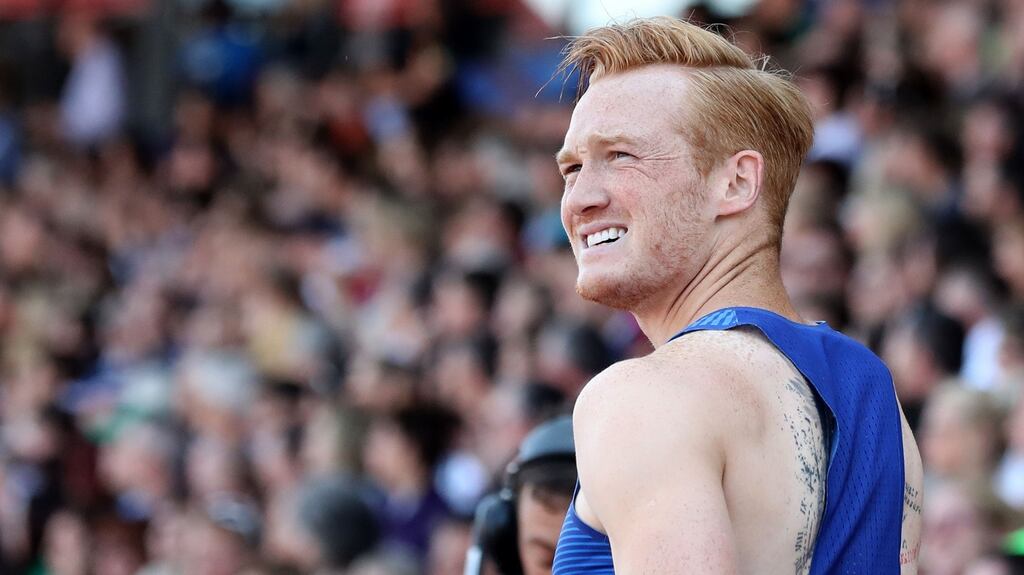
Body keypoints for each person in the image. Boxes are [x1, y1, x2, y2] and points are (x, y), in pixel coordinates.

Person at [549, 17, 923, 574]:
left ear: (737, 183)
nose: (579, 198)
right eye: (572, 168)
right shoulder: (877, 399)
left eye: (621, 156)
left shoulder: (642, 396)